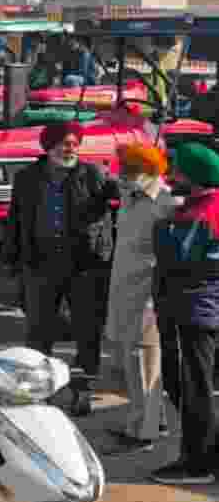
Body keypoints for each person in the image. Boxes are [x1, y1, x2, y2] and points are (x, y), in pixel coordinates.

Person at [2, 122, 119, 414]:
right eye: (64, 144)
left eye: (74, 144)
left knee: (86, 329)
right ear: (48, 146)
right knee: (38, 329)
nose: (70, 149)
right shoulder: (28, 177)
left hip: (85, 264)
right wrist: (11, 257)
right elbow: (16, 218)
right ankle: (39, 387)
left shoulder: (93, 174)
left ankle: (83, 388)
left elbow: (118, 197)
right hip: (39, 263)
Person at [102, 141, 178, 453]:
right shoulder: (131, 195)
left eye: (127, 170)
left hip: (147, 295)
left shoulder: (165, 202)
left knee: (146, 361)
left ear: (144, 171)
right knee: (133, 363)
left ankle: (144, 431)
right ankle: (148, 420)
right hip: (123, 291)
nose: (121, 175)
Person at [151, 142, 219, 485]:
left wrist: (162, 228)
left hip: (195, 311)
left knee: (193, 387)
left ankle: (197, 463)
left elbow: (180, 260)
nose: (171, 175)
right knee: (200, 386)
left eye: (177, 169)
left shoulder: (199, 216)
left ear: (193, 175)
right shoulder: (204, 208)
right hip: (204, 310)